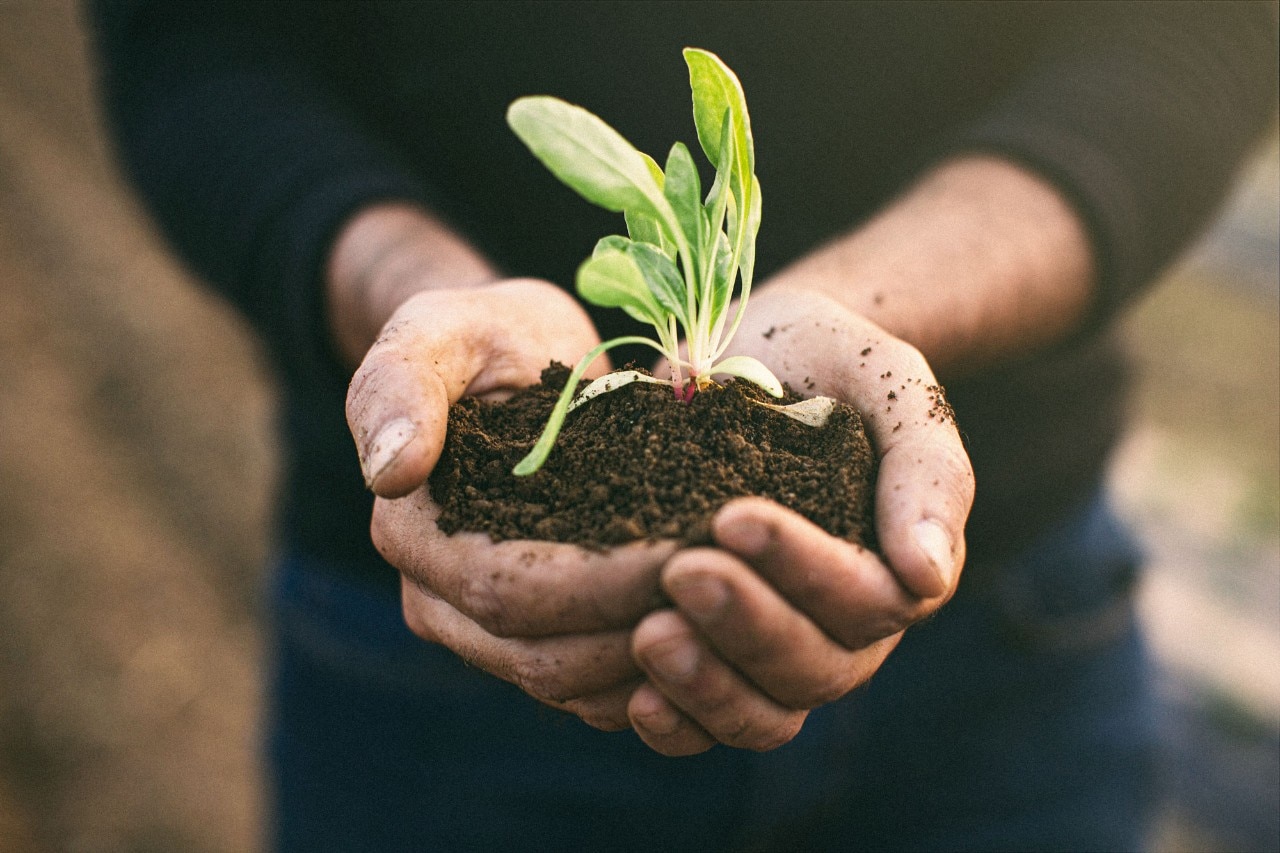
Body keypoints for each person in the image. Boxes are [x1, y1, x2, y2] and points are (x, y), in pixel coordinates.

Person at [89, 2, 1277, 850]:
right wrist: (410, 295)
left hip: (1001, 650)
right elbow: (196, 42)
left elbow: (1194, 33)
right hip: (434, 686)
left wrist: (862, 314)